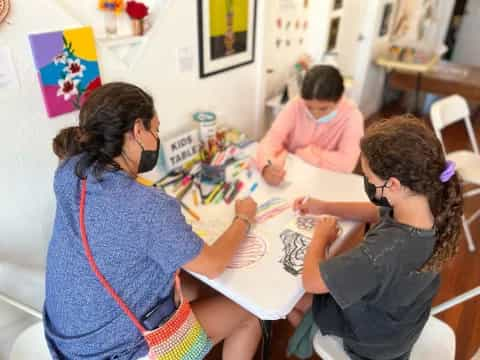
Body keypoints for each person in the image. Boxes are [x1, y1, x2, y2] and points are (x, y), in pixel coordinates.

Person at [45, 82, 261, 359]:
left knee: (193, 285)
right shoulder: (146, 207)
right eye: (155, 130)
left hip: (68, 343)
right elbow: (214, 265)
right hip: (118, 351)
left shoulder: (69, 171)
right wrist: (243, 217)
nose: (156, 138)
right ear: (138, 130)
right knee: (249, 314)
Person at [289, 116, 463, 359]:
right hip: (400, 328)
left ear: (392, 184)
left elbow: (312, 282)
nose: (367, 182)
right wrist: (325, 206)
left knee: (290, 301)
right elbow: (376, 212)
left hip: (372, 346)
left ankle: (310, 336)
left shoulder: (382, 252)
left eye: (369, 178)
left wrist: (321, 237)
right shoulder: (430, 205)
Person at [256, 65, 364, 186]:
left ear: (338, 100)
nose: (315, 113)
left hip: (325, 180)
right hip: (291, 174)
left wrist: (308, 154)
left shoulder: (353, 116)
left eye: (323, 108)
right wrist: (266, 166)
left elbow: (347, 163)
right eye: (309, 107)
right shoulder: (296, 104)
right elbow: (272, 138)